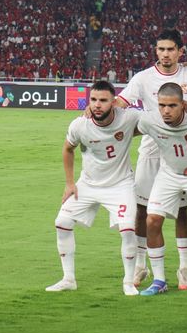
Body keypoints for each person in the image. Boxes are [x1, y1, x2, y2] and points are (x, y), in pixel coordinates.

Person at [116, 29, 187, 290]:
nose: (165, 54)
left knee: (183, 210)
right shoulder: (144, 78)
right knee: (143, 208)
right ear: (156, 50)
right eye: (161, 49)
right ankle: (141, 264)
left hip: (184, 151)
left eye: (170, 49)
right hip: (152, 150)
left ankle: (184, 268)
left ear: (180, 51)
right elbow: (121, 100)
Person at [46, 81, 140, 296]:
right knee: (62, 223)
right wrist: (70, 183)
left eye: (103, 100)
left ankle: (128, 283)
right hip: (87, 184)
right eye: (94, 100)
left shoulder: (129, 118)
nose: (97, 105)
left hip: (120, 185)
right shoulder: (80, 124)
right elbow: (68, 149)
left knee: (127, 230)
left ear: (114, 102)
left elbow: (157, 121)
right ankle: (68, 279)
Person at [135, 83, 187, 297]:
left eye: (172, 105)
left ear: (183, 104)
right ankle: (159, 280)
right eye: (162, 105)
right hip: (168, 175)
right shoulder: (149, 120)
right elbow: (123, 129)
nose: (166, 111)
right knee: (152, 221)